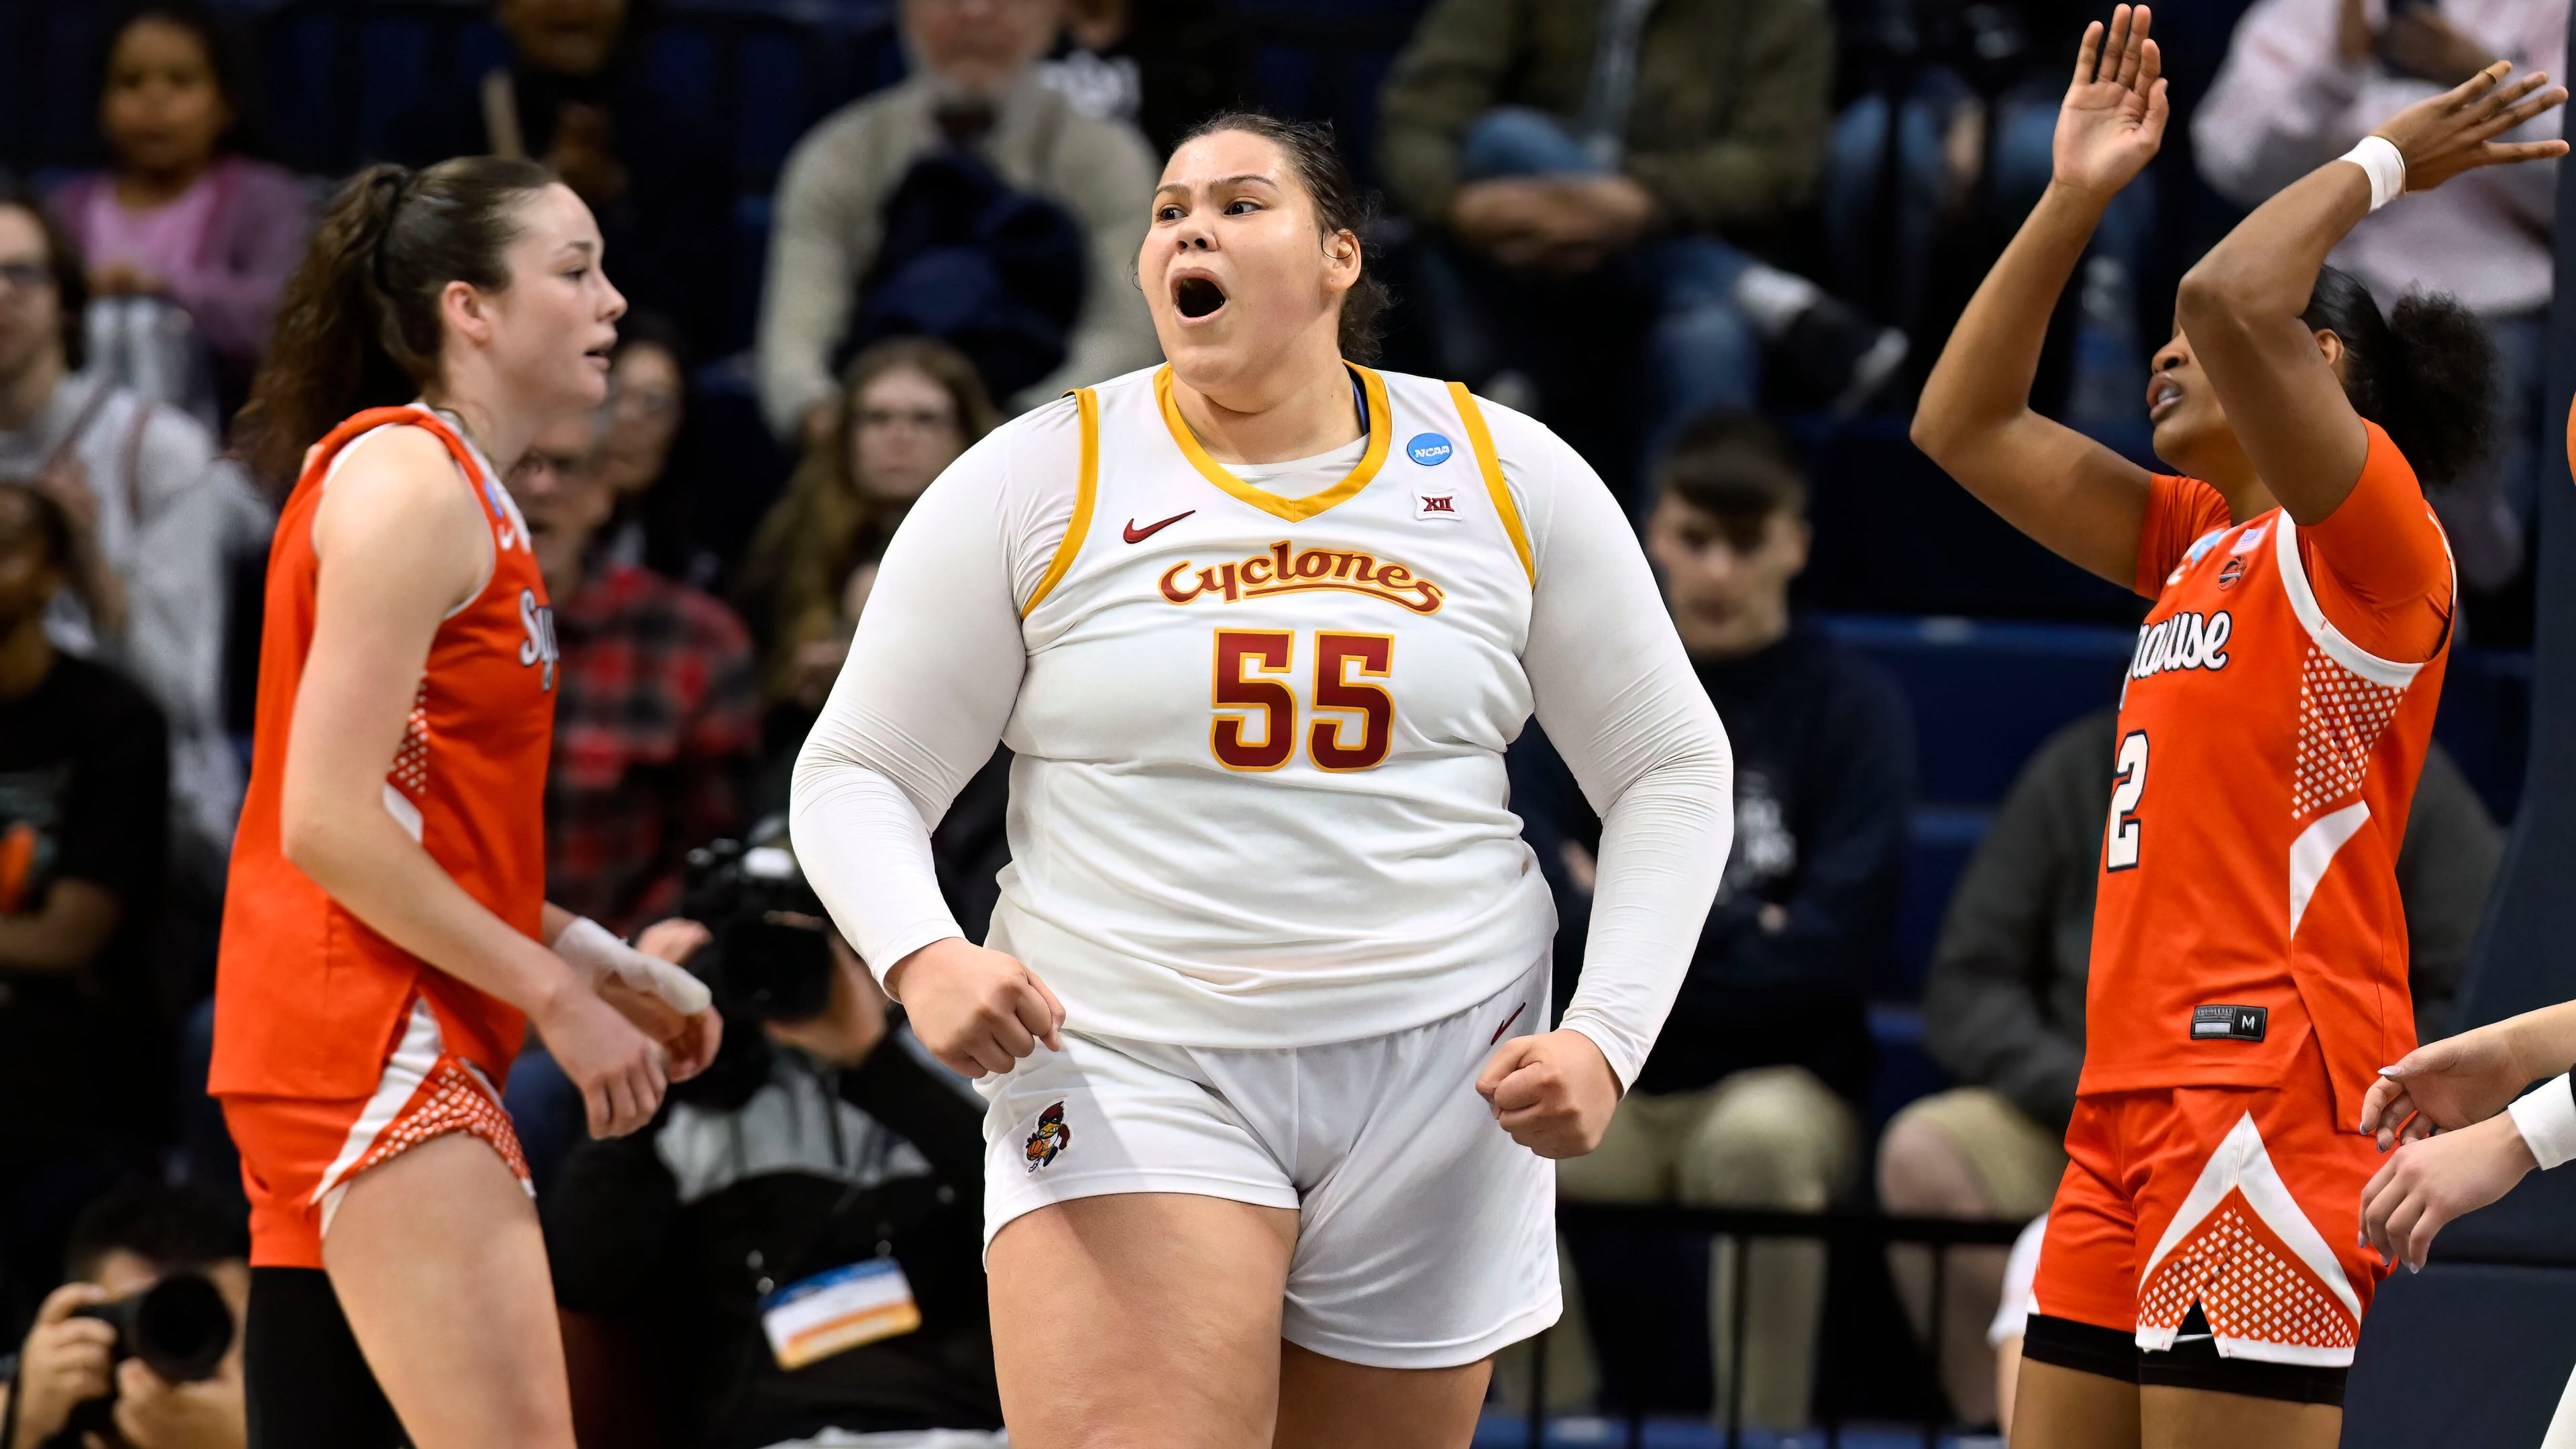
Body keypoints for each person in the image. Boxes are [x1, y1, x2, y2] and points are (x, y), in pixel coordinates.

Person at [789, 111, 1734, 1444]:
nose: (1191, 228)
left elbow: (1671, 767)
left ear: (1340, 256)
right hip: (1131, 1049)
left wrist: (1610, 1034)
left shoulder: (1506, 473)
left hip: (1442, 1068)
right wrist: (919, 955)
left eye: (1240, 204)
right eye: (1171, 209)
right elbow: (859, 767)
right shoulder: (1034, 475)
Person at [1907, 7, 2561, 1442]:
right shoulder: (2194, 539)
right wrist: (2073, 194)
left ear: (2321, 366)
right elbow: (1961, 425)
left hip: (2270, 1087)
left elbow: (2222, 294)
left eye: (2196, 354)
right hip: (2125, 1091)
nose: (2166, 357)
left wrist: (2389, 156)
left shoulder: (2375, 545)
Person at [209, 157, 724, 1449]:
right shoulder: (413, 483)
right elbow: (321, 819)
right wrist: (550, 1000)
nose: (612, 300)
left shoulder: (453, 488)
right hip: (376, 1028)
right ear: (469, 309)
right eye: (575, 270)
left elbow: (409, 823)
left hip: (346, 1025)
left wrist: (588, 957)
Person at [1882, 705, 2500, 1425]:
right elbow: (1967, 981)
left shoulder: (2388, 765)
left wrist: (2376, 1088)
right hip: (2083, 1103)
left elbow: (2480, 984)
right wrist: (2088, 1083)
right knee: (1928, 1152)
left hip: (2294, 1117)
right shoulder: (2089, 759)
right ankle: (1986, 1425)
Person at [1533, 409, 1910, 1428]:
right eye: (1696, 538)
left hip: (1783, 1078)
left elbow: (1834, 953)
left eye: (1746, 544)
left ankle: (1764, 1427)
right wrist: (1755, 934)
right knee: (1480, 1134)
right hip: (1604, 1068)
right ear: (1652, 530)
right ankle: (1553, 1420)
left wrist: (1621, 905)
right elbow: (1531, 909)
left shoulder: (1852, 710)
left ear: (1797, 540)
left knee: (1762, 1141)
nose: (1717, 571)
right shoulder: (1575, 690)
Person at [1377, 0, 1904, 504]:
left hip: (1674, 289)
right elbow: (1417, 121)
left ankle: (1669, 595)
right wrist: (1460, 208)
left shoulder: (1779, 10)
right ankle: (1756, 292)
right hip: (1517, 275)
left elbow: (1779, 165)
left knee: (1710, 337)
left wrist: (1643, 202)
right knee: (1507, 142)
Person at [546, 918, 1004, 1449]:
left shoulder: (965, 1067)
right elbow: (584, 1277)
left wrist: (873, 1057)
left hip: (966, 1429)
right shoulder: (685, 1108)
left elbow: (1049, 1217)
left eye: (820, 949)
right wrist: (653, 1039)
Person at [2197, 0, 2564, 605]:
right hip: (2322, 294)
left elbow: (2564, 193)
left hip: (2495, 297)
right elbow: (2233, 164)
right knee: (2251, 377)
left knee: (2466, 442)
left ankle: (2459, 586)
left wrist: (2481, 78)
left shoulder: (2547, 13)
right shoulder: (2310, 14)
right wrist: (2336, 71)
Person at [0, 189, 267, 888]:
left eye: (22, 273)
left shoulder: (158, 450)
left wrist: (87, 561)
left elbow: (182, 698)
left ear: (64, 297)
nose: (0, 293)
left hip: (148, 804)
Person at [754, 0, 1161, 440]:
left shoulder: (1110, 161)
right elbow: (796, 341)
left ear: (1054, 15)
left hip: (1046, 457)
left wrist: (1015, 438)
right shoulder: (841, 154)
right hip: (863, 450)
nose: (975, 12)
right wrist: (839, 428)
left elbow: (1125, 339)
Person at [0, 482, 170, 1337]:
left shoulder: (114, 722)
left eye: (5, 550)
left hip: (80, 1063)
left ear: (53, 575)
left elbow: (73, 934)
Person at [506, 407, 759, 936]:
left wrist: (605, 962)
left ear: (602, 492)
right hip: (432, 970)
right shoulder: (412, 627)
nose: (542, 487)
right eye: (517, 466)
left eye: (565, 466)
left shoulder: (694, 640)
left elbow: (711, 850)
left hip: (624, 976)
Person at [383, 0, 735, 358]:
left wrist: (613, 212)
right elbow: (406, 293)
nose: (572, 5)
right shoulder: (434, 137)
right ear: (504, 8)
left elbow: (702, 315)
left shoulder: (683, 148)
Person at [49, 2, 313, 416]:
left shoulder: (264, 199)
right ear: (101, 104)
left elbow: (289, 315)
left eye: (181, 81)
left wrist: (165, 289)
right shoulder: (66, 209)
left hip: (226, 448)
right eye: (131, 83)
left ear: (226, 103)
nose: (155, 102)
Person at [737, 339, 1000, 721]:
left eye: (925, 419)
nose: (899, 437)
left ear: (965, 434)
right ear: (848, 437)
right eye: (877, 418)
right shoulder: (790, 541)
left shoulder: (1008, 542)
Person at [0, 1185, 248, 1449]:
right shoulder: (31, 1414)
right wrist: (24, 1425)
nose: (178, 1363)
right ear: (78, 1324)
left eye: (211, 1330)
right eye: (153, 1327)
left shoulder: (288, 1416)